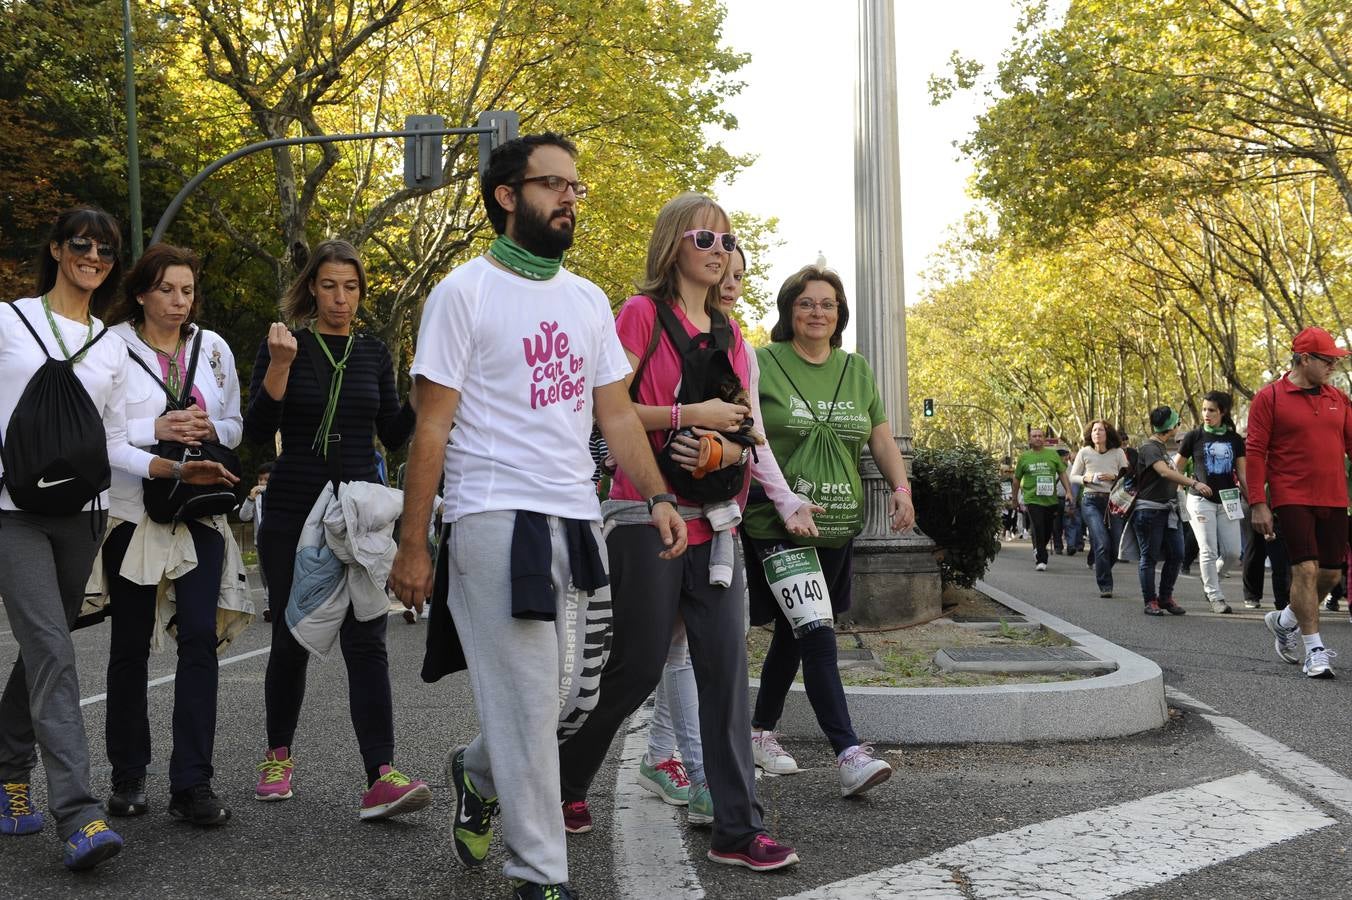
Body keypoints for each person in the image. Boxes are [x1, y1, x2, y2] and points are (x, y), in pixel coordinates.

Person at [387, 133, 688, 900]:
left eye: (574, 187)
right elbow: (432, 427)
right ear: (506, 196)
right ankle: (539, 876)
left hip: (577, 519)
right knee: (528, 702)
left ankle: (478, 770)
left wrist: (656, 495)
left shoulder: (586, 299)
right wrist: (413, 543)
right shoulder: (463, 293)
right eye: (552, 184)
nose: (568, 198)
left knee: (574, 699)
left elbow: (616, 418)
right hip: (494, 516)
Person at [555, 193, 813, 874]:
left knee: (727, 673)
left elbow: (751, 435)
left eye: (727, 240)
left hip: (719, 525)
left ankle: (737, 828)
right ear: (673, 244)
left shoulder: (737, 341)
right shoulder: (638, 315)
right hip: (644, 512)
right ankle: (564, 782)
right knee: (637, 667)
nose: (719, 250)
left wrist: (781, 499)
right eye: (705, 237)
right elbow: (607, 410)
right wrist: (687, 412)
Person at [0, 208, 235, 871]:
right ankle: (77, 814)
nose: (93, 255)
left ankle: (6, 759)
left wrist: (174, 467)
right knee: (52, 650)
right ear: (55, 249)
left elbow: (111, 444)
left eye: (105, 248)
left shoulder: (107, 346)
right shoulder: (8, 321)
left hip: (85, 514)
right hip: (11, 510)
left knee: (46, 646)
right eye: (81, 244)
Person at [243, 239, 429, 815]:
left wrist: (428, 385)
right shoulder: (286, 345)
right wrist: (278, 367)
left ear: (361, 293)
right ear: (311, 289)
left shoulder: (374, 353)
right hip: (294, 507)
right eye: (328, 286)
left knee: (367, 641)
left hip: (359, 513)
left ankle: (381, 773)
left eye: (350, 287)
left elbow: (395, 433)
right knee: (291, 636)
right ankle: (278, 756)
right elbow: (257, 429)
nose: (340, 298)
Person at [740, 263, 913, 797]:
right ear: (788, 310)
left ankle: (759, 731)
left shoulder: (855, 368)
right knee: (815, 632)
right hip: (776, 522)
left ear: (840, 315)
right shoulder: (761, 361)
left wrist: (902, 492)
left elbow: (880, 437)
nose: (818, 312)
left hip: (836, 524)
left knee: (798, 633)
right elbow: (745, 431)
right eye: (807, 303)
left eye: (828, 304)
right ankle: (849, 752)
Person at [97, 243, 245, 826]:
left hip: (200, 511)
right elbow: (99, 431)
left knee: (199, 642)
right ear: (140, 293)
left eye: (187, 290)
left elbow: (235, 427)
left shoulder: (213, 349)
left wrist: (212, 425)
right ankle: (128, 775)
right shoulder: (111, 346)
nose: (179, 301)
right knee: (129, 646)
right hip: (134, 513)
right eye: (166, 290)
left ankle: (193, 784)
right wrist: (153, 427)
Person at [1247, 327, 1352, 679]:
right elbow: (1256, 452)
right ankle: (1315, 651)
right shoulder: (1270, 397)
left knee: (1330, 574)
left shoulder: (1338, 398)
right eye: (1327, 360)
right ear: (1304, 358)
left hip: (1335, 497)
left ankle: (1285, 619)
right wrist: (1258, 502)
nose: (1333, 367)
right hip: (1291, 496)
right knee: (1305, 570)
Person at [1133, 406, 1213, 616]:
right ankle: (1150, 601)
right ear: (1171, 427)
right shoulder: (1149, 448)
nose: (1178, 427)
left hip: (1169, 511)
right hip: (1150, 512)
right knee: (1149, 558)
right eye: (1177, 424)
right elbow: (1163, 472)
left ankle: (1165, 597)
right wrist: (1193, 483)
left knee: (1177, 554)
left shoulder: (1162, 449)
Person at [1175, 392, 1247, 614]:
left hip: (1228, 501)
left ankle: (1212, 578)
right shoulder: (1194, 436)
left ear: (1223, 412)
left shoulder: (1235, 440)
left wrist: (1256, 501)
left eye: (1212, 410)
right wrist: (1190, 485)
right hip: (1200, 501)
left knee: (1233, 552)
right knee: (1208, 550)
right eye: (1204, 409)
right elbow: (1174, 468)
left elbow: (1242, 476)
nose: (1206, 414)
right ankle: (1215, 596)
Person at [1070, 420, 1129, 597]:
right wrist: (1085, 479)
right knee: (1101, 542)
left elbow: (1128, 478)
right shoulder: (1084, 452)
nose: (1097, 433)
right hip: (1091, 500)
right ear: (1090, 433)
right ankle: (1105, 585)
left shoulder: (1118, 453)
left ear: (1107, 433)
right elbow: (1073, 476)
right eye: (1094, 430)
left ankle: (1103, 567)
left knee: (1115, 545)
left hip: (1113, 501)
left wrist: (1114, 476)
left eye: (1101, 430)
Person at [1011, 428, 1073, 570]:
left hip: (1051, 500)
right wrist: (1014, 499)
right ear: (1029, 439)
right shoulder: (1024, 457)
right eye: (1034, 436)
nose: (1038, 438)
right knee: (1038, 526)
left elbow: (1062, 474)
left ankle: (1038, 548)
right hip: (1032, 499)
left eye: (1040, 436)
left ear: (1044, 439)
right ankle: (1041, 560)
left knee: (1047, 529)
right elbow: (1016, 480)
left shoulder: (1052, 455)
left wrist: (1069, 491)